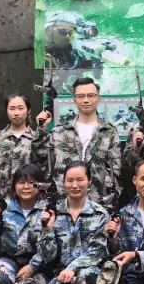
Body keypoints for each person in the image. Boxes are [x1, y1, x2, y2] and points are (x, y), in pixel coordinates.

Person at [40, 161, 111, 284]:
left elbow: (97, 251)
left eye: (80, 180)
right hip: (62, 272)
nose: (74, 185)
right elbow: (48, 256)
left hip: (91, 271)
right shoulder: (55, 213)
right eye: (70, 180)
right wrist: (47, 230)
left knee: (84, 278)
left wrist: (73, 268)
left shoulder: (99, 214)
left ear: (89, 182)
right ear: (63, 183)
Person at [49, 77, 122, 213]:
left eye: (91, 95)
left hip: (98, 204)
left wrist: (109, 203)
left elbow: (115, 172)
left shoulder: (109, 132)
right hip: (63, 205)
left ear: (98, 99)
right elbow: (47, 167)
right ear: (74, 100)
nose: (86, 100)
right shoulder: (59, 132)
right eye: (81, 96)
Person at [0, 94, 52, 200]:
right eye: (12, 108)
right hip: (2, 199)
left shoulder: (37, 140)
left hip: (30, 199)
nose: (16, 113)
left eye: (20, 108)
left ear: (28, 110)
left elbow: (44, 167)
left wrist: (42, 128)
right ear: (6, 111)